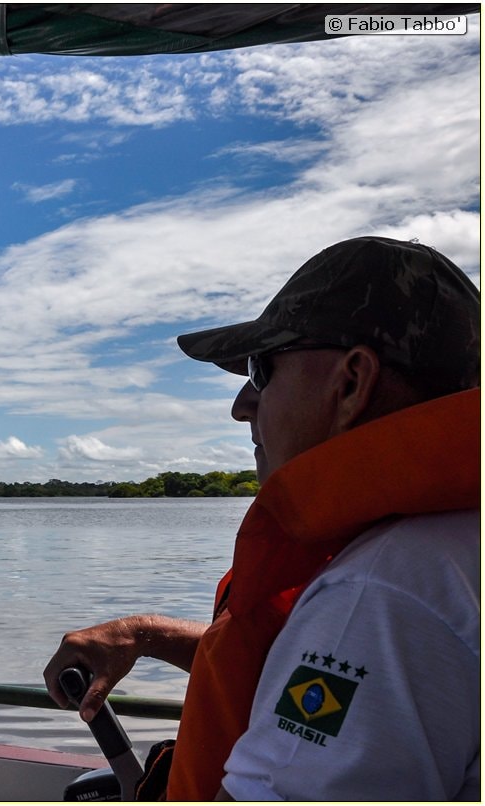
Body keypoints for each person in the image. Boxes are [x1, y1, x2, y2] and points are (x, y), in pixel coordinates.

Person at [43, 236, 480, 800]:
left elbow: (364, 641)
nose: (241, 405)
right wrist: (145, 634)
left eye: (261, 369)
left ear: (351, 382)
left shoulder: (378, 594)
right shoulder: (453, 543)